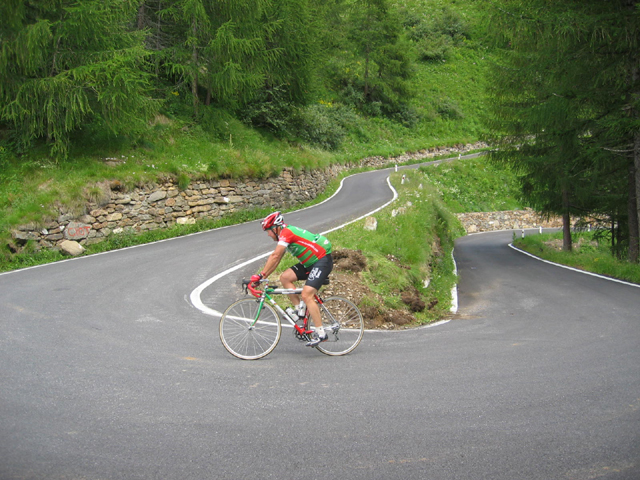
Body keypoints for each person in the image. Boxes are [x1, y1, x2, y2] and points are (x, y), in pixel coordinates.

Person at [251, 211, 333, 347]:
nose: (268, 234)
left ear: (275, 228)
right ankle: (299, 310)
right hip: (310, 263)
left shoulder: (286, 233)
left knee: (307, 295)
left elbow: (275, 256)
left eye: (268, 231)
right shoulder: (284, 234)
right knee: (285, 277)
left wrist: (260, 275)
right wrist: (263, 276)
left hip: (321, 261)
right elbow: (277, 260)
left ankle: (321, 334)